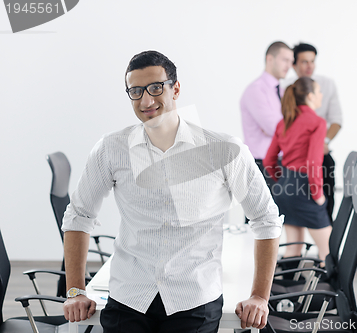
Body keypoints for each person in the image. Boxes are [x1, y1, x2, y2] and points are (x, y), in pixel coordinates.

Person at [61, 50, 283, 333]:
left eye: (156, 88)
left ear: (175, 88)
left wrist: (260, 296)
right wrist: (75, 290)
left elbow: (266, 219)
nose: (146, 100)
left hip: (194, 299)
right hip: (130, 296)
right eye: (136, 91)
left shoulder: (224, 150)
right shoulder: (111, 149)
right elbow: (79, 215)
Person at [264, 77, 331, 263]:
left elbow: (269, 160)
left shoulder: (285, 121)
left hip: (285, 187)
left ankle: (287, 291)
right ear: (310, 96)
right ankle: (331, 292)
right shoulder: (317, 122)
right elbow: (312, 163)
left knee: (293, 248)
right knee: (329, 251)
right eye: (318, 92)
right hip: (305, 188)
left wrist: (283, 182)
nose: (321, 95)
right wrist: (318, 194)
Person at [281, 43, 342, 223]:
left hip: (320, 155)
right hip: (293, 165)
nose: (309, 66)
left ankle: (325, 242)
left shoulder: (327, 84)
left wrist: (323, 142)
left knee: (325, 213)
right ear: (294, 64)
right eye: (304, 62)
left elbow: (337, 120)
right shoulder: (284, 86)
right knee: (294, 220)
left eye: (312, 61)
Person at [240, 41, 294, 187]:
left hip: (280, 162)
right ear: (270, 59)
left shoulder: (281, 91)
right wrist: (281, 128)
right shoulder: (256, 90)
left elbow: (282, 127)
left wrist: (282, 128)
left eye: (291, 61)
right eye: (285, 60)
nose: (289, 66)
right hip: (262, 164)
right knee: (262, 209)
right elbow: (274, 128)